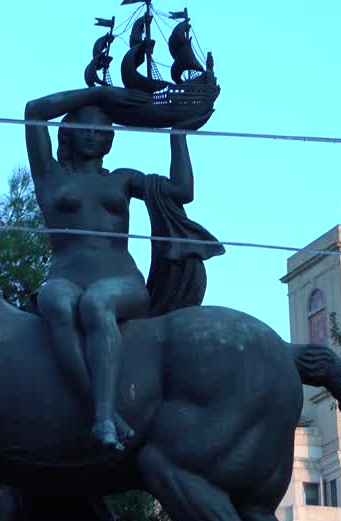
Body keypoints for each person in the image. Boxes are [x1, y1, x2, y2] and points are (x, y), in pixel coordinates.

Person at [24, 85, 210, 450]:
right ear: (69, 133)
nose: (94, 136)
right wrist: (100, 94)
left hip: (121, 281)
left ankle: (103, 417)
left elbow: (182, 190)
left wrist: (177, 134)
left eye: (102, 130)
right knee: (57, 302)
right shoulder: (49, 175)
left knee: (97, 303)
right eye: (86, 128)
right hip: (64, 277)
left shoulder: (122, 179)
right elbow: (35, 110)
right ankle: (103, 412)